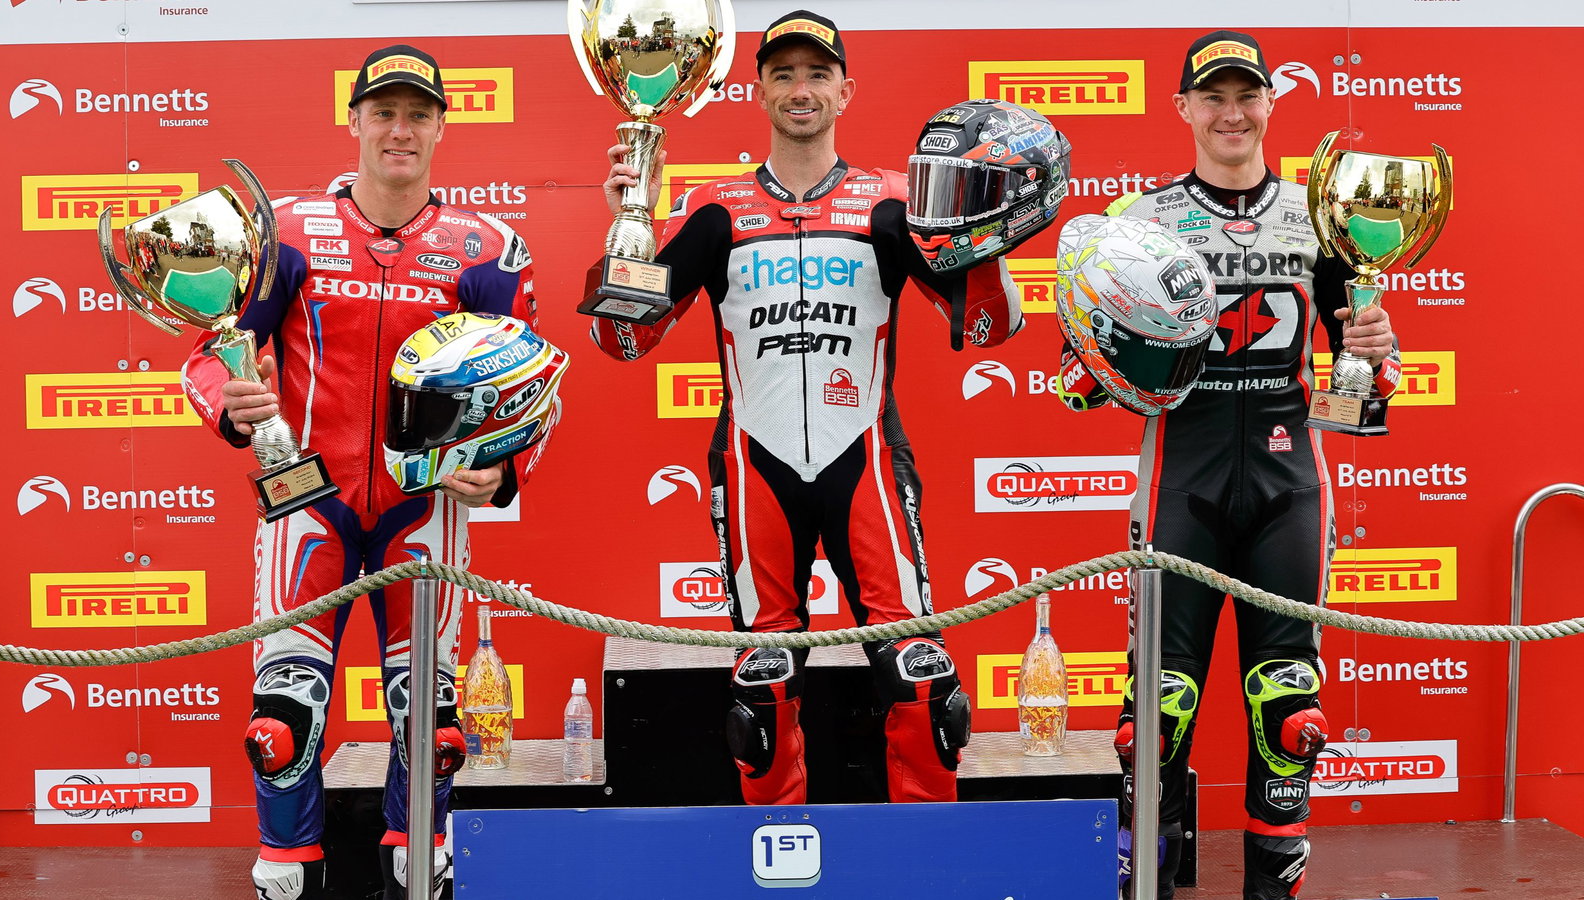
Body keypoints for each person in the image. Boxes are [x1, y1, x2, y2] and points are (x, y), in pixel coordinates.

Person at [592, 10, 1028, 805]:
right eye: (783, 73)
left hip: (867, 461)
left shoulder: (895, 205)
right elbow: (624, 345)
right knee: (761, 691)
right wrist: (629, 222)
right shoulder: (715, 209)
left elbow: (991, 329)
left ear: (845, 90)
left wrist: (986, 243)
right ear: (756, 89)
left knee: (920, 677)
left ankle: (925, 863)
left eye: (817, 74)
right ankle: (779, 864)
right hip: (750, 465)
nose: (801, 89)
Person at [180, 45, 548, 900]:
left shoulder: (486, 248)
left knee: (433, 728)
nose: (400, 129)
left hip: (422, 513)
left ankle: (416, 876)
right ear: (353, 120)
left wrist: (507, 470)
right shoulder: (287, 232)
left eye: (418, 113)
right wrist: (224, 401)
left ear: (443, 127)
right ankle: (287, 880)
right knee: (283, 723)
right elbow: (209, 347)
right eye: (383, 111)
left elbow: (534, 388)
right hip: (306, 505)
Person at [1055, 31, 1402, 900]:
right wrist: (1096, 371)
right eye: (1213, 97)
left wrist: (1374, 351)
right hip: (1180, 484)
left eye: (1247, 95)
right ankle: (1150, 888)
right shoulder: (1141, 222)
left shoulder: (1323, 216)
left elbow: (1366, 387)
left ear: (1270, 105)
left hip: (1291, 488)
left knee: (1290, 717)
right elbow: (1081, 381)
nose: (1232, 113)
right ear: (1183, 110)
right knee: (1156, 719)